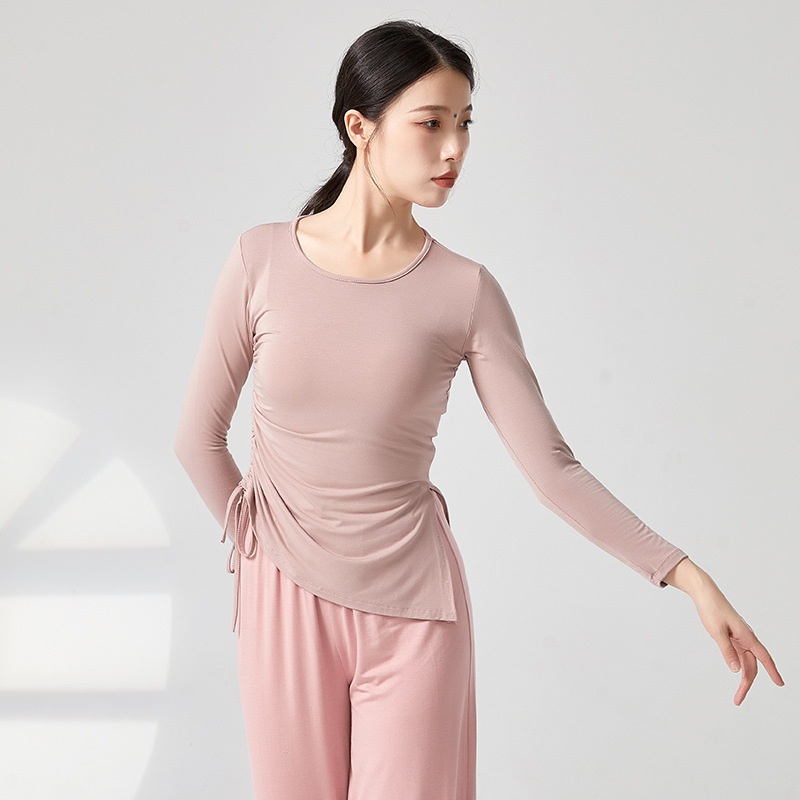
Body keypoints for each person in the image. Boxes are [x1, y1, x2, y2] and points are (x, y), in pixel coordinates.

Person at [174, 19, 784, 800]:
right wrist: (262, 549)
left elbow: (552, 469)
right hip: (282, 604)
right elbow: (197, 438)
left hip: (415, 610)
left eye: (464, 124)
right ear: (360, 127)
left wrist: (689, 577)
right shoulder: (260, 259)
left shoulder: (464, 291)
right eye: (431, 124)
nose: (455, 148)